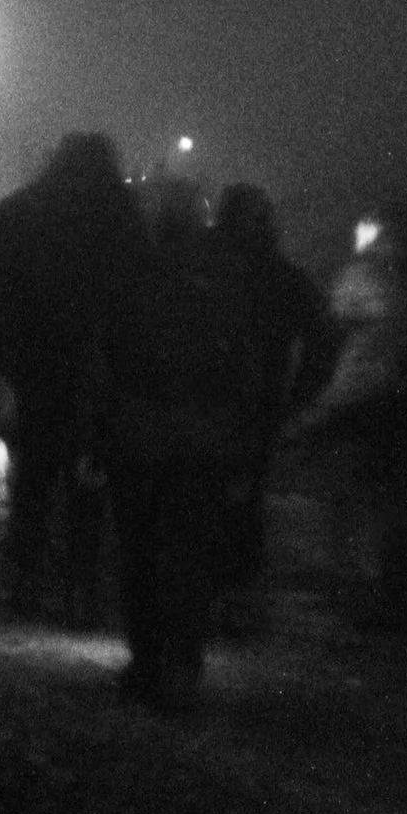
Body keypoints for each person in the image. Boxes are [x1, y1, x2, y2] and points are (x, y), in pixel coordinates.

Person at [0, 133, 143, 620]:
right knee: (88, 480)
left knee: (31, 479)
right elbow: (140, 303)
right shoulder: (124, 218)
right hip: (96, 374)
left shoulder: (12, 216)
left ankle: (25, 580)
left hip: (32, 371)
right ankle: (80, 587)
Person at [103, 177, 266, 710]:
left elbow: (106, 359)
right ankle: (183, 665)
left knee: (142, 555)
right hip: (204, 439)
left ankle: (148, 663)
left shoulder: (131, 277)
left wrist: (98, 431)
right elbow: (246, 366)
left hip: (144, 437)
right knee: (190, 557)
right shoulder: (228, 280)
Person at [295, 206, 407, 632]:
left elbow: (336, 326)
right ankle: (395, 594)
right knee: (392, 504)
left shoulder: (364, 276)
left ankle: (366, 593)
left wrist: (319, 404)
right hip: (406, 402)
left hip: (365, 401)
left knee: (359, 498)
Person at [209, 182, 338, 634]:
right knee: (241, 502)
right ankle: (235, 599)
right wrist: (298, 394)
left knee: (208, 497)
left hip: (209, 403)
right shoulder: (280, 274)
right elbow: (324, 336)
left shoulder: (204, 264)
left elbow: (323, 338)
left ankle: (212, 599)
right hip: (253, 407)